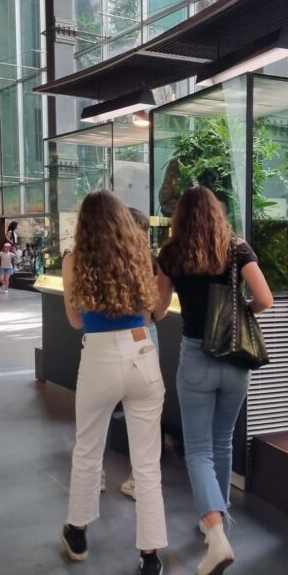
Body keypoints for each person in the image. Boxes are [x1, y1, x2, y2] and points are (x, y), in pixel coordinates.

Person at [154, 186, 273, 575]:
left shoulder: (171, 254)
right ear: (216, 213)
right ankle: (217, 517)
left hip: (197, 357)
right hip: (236, 357)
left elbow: (158, 309)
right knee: (222, 442)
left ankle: (216, 535)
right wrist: (240, 312)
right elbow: (265, 299)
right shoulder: (237, 248)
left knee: (199, 449)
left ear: (180, 217)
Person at [61, 190, 166, 575]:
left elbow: (75, 322)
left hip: (99, 357)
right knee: (148, 463)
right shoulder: (138, 254)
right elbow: (151, 313)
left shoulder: (74, 260)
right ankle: (150, 559)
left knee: (88, 449)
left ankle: (78, 532)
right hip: (142, 352)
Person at [116, 208, 161, 501]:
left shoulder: (107, 259)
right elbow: (153, 310)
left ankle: (96, 474)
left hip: (109, 337)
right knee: (145, 413)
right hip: (144, 336)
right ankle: (137, 478)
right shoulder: (149, 261)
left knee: (100, 408)